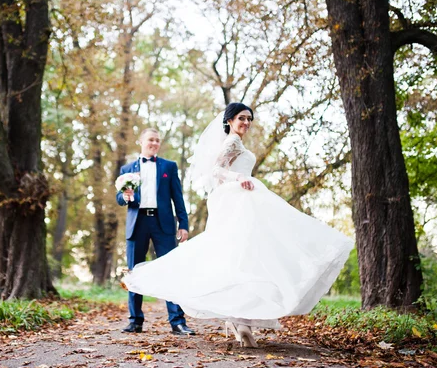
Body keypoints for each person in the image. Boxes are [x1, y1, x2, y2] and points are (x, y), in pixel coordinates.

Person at [122, 103, 354, 347]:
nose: (246, 123)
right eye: (242, 118)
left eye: (249, 119)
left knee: (246, 258)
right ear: (230, 120)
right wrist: (239, 177)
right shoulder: (231, 142)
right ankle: (235, 319)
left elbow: (183, 192)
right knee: (242, 255)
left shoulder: (235, 144)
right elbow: (217, 170)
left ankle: (240, 319)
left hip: (242, 202)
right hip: (234, 200)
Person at [116, 128, 195, 335]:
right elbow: (119, 198)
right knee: (134, 272)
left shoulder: (169, 166)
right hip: (137, 223)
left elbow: (177, 197)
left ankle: (177, 322)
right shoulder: (127, 169)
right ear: (141, 142)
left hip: (164, 224)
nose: (154, 143)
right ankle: (135, 321)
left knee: (171, 271)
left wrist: (183, 224)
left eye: (157, 140)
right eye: (150, 139)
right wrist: (125, 196)